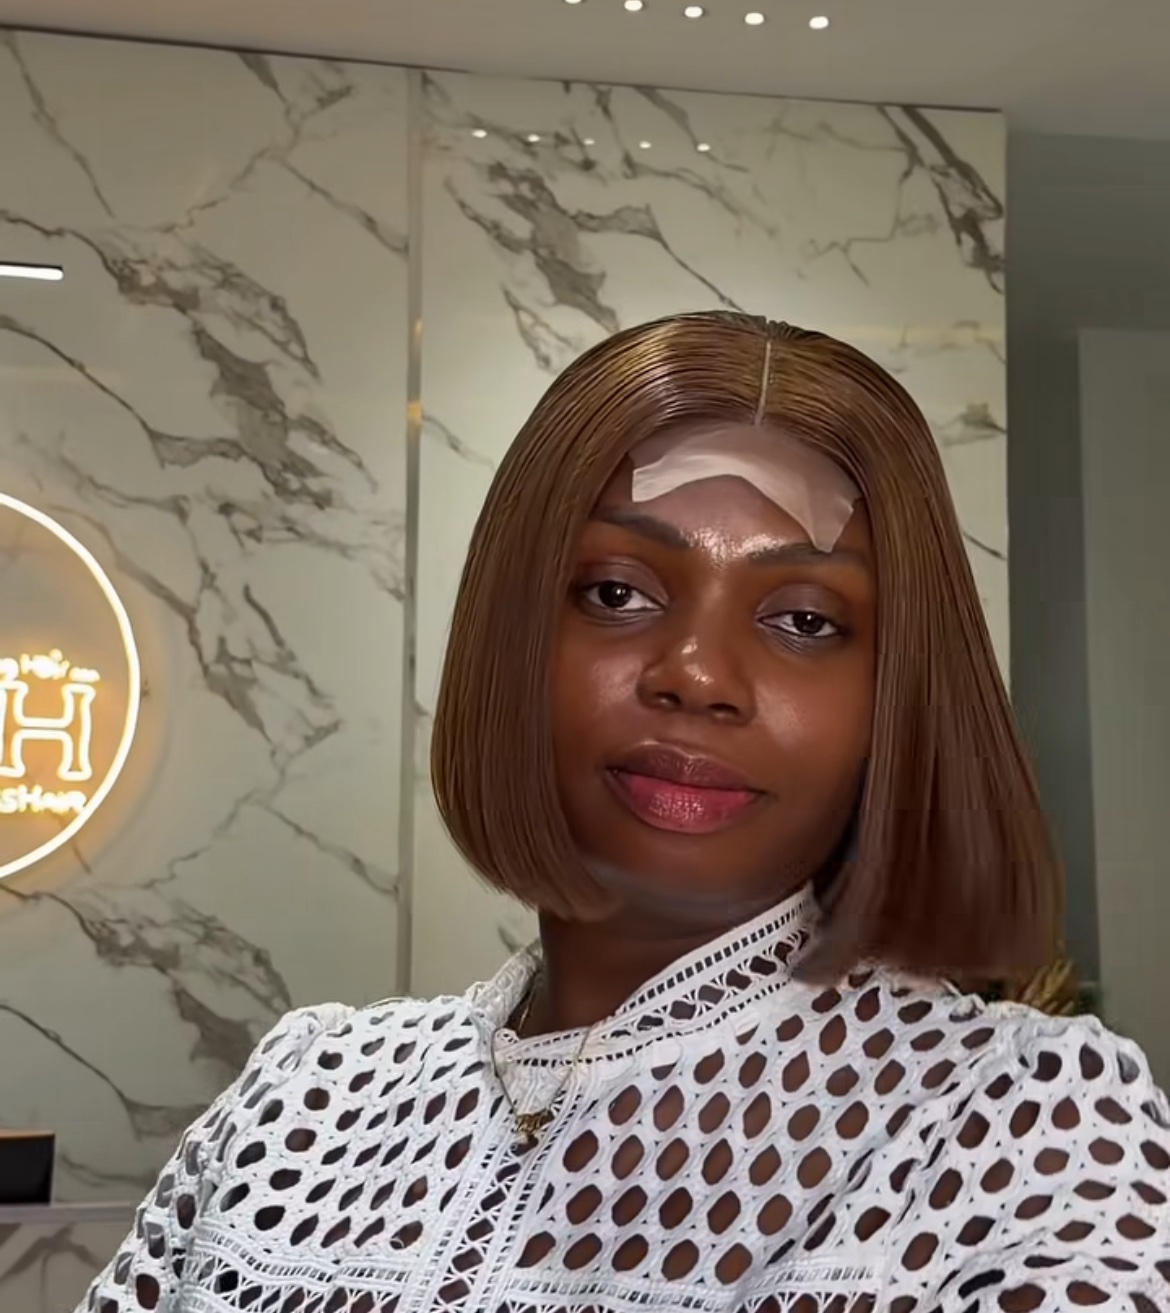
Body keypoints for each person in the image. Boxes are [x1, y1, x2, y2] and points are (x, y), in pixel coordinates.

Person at [78, 313, 1168, 1313]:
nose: (697, 674)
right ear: (511, 634)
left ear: (901, 695)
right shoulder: (303, 1094)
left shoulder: (1024, 1125)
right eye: (616, 593)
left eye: (803, 619)